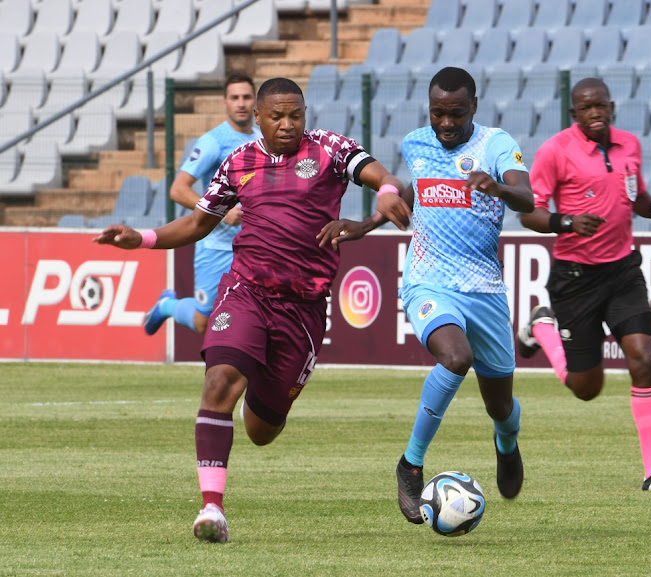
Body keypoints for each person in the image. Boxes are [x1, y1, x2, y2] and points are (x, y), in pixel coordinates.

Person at [94, 77, 412, 542]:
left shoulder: (329, 149)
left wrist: (385, 192)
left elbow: (382, 176)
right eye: (277, 116)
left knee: (262, 430)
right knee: (219, 382)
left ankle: (256, 393)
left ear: (305, 114)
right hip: (245, 290)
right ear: (258, 119)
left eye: (295, 115)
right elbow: (199, 223)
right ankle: (211, 509)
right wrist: (142, 239)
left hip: (303, 308)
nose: (287, 125)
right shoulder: (238, 162)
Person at [518, 77, 651, 491]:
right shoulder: (555, 151)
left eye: (600, 106)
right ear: (574, 114)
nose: (594, 113)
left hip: (623, 271)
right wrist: (567, 222)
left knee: (644, 359)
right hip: (575, 278)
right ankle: (542, 326)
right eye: (585, 107)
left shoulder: (629, 145)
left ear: (611, 106)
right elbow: (529, 213)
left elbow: (637, 197)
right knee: (586, 388)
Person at [392, 66, 534, 524]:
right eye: (438, 113)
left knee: (500, 405)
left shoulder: (494, 144)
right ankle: (411, 465)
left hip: (485, 290)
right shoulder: (415, 143)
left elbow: (528, 198)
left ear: (474, 106)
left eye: (455, 113)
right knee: (455, 357)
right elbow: (419, 195)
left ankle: (506, 441)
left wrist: (500, 187)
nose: (446, 123)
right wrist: (366, 224)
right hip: (428, 280)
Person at [143, 72, 262, 336]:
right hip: (217, 245)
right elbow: (178, 189)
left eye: (246, 97)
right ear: (225, 103)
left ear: (255, 103)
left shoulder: (263, 138)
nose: (240, 103)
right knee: (202, 322)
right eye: (234, 98)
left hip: (254, 246)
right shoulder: (213, 142)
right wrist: (220, 213)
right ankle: (167, 306)